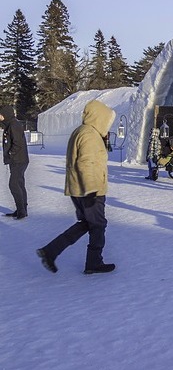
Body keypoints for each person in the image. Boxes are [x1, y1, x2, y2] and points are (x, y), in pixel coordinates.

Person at [36, 100, 117, 275]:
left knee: (86, 223)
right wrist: (91, 191)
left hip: (79, 189)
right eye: (107, 120)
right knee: (98, 225)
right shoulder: (89, 135)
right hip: (89, 190)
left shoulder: (83, 132)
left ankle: (51, 251)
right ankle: (94, 262)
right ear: (99, 117)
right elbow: (86, 164)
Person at [0, 105, 29, 219]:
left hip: (19, 160)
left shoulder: (14, 125)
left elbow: (17, 143)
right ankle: (22, 210)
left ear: (5, 113)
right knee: (20, 184)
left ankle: (21, 211)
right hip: (17, 160)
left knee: (14, 184)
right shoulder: (9, 125)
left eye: (1, 114)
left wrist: (11, 154)